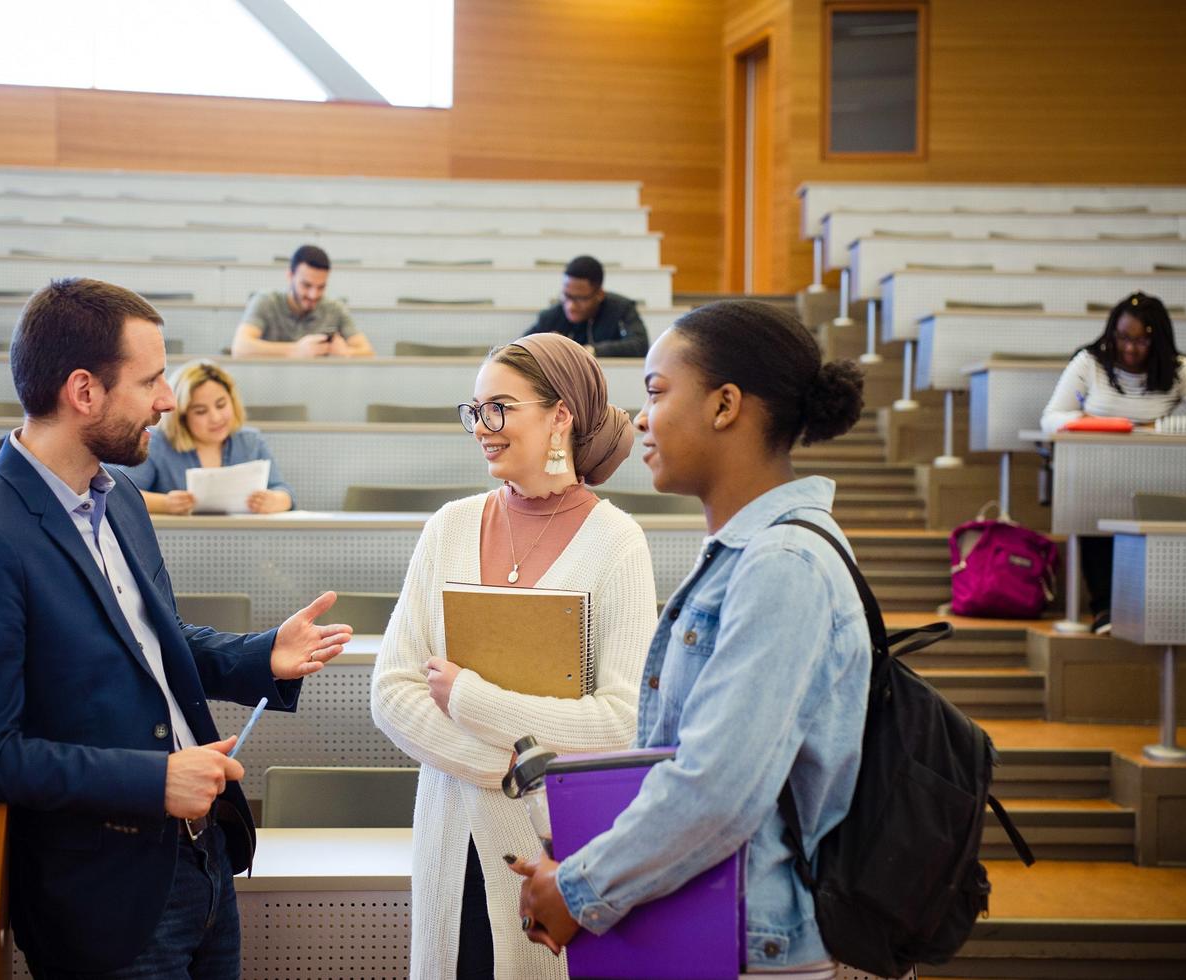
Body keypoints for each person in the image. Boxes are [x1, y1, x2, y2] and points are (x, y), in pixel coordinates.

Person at [0, 277, 353, 978]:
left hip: (200, 855)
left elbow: (148, 642)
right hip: (107, 898)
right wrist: (152, 782)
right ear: (84, 391)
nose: (168, 400)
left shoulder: (117, 494)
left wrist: (259, 654)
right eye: (150, 380)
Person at [509, 300, 871, 976]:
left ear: (726, 405)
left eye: (657, 392)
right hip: (709, 922)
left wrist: (576, 888)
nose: (641, 418)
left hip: (749, 944)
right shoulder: (750, 555)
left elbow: (717, 789)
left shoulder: (781, 566)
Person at [370, 332, 658, 980]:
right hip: (449, 838)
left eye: (499, 407)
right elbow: (391, 692)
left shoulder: (617, 542)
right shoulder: (448, 525)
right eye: (474, 410)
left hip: (553, 850)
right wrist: (511, 767)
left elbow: (621, 722)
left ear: (561, 416)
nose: (482, 427)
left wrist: (472, 700)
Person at [1040, 290, 1186, 634]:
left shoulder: (1177, 370)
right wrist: (1091, 423)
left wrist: (1152, 428)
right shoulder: (1090, 362)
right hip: (1096, 473)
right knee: (1092, 508)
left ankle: (1154, 607)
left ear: (1158, 339)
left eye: (1141, 341)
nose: (1130, 349)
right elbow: (1051, 419)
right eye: (1123, 338)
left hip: (1156, 475)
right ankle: (1103, 608)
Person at [116, 358, 296, 515]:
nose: (215, 418)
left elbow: (284, 491)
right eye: (200, 411)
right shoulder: (158, 443)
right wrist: (165, 504)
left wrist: (275, 500)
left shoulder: (250, 441)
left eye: (221, 405)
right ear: (183, 416)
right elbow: (122, 495)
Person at [230, 244, 375, 358]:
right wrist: (295, 350)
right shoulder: (266, 302)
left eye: (321, 287)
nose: (313, 295)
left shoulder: (335, 308)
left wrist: (346, 353)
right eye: (306, 285)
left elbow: (368, 352)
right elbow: (240, 348)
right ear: (290, 276)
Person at [525, 255, 649, 358]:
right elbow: (520, 349)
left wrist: (590, 351)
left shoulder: (621, 309)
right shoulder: (551, 317)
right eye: (566, 296)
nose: (571, 306)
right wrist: (544, 345)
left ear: (599, 294)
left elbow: (640, 345)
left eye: (580, 298)